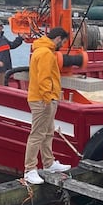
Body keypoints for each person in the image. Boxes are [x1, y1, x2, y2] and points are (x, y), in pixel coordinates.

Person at [22, 27, 72, 185]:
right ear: (58, 38)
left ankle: (48, 163)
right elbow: (44, 78)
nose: (62, 46)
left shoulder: (43, 50)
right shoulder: (45, 53)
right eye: (62, 42)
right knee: (37, 134)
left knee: (48, 132)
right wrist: (48, 98)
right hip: (42, 100)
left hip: (44, 98)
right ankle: (29, 169)